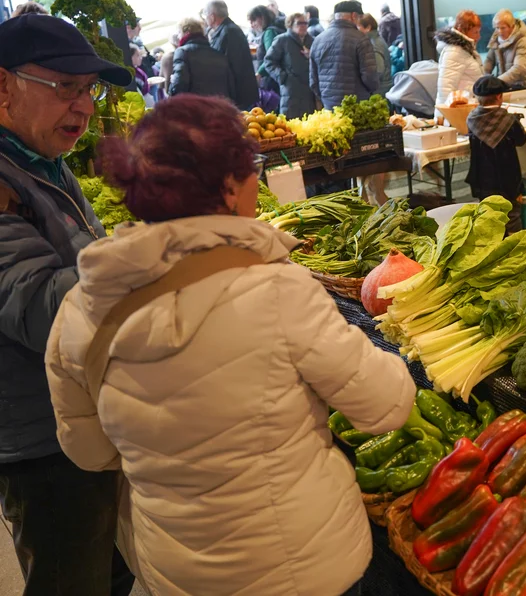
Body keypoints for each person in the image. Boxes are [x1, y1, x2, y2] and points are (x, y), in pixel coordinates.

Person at [44, 94, 415, 596]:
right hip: (300, 565)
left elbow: (88, 451)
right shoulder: (277, 289)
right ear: (228, 187)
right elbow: (386, 406)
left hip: (175, 571)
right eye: (251, 169)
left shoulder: (81, 309)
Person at [0, 14, 135, 596]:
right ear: (3, 86)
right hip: (40, 440)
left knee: (109, 571)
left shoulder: (40, 163)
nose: (82, 107)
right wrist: (149, 252)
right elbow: (40, 307)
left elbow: (85, 260)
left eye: (89, 90)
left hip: (77, 418)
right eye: (65, 87)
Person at [466, 76, 526, 233]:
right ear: (499, 96)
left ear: (477, 98)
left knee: (489, 217)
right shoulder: (508, 119)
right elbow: (521, 140)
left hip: (482, 181)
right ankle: (514, 244)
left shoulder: (471, 119)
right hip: (509, 181)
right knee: (512, 216)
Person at [309, 0, 380, 110]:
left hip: (329, 105)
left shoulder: (318, 40)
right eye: (360, 17)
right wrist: (371, 91)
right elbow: (369, 76)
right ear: (353, 16)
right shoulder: (361, 39)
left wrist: (325, 98)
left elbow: (313, 80)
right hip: (356, 105)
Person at [204, 0, 259, 110]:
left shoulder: (230, 32)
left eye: (205, 15)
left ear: (212, 17)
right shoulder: (226, 30)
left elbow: (233, 67)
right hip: (237, 93)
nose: (205, 19)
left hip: (238, 96)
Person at [264, 13, 316, 118]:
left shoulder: (313, 41)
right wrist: (283, 77)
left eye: (305, 23)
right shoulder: (282, 40)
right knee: (290, 120)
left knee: (309, 121)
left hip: (309, 90)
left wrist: (311, 56)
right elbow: (269, 62)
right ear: (290, 25)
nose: (303, 26)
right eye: (299, 23)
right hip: (291, 89)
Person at [169, 17, 232, 99]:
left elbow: (179, 84)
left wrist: (172, 84)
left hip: (196, 103)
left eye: (179, 33)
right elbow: (229, 85)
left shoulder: (182, 52)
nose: (178, 36)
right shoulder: (218, 54)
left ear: (186, 32)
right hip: (219, 103)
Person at [434, 10, 484, 104]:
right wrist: (452, 110)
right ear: (461, 30)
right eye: (475, 32)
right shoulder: (455, 51)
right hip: (458, 109)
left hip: (465, 106)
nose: (479, 36)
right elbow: (446, 88)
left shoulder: (464, 50)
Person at [483, 9, 526, 90]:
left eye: (503, 28)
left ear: (512, 26)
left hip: (522, 86)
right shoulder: (496, 39)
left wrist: (497, 81)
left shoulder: (523, 41)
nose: (500, 31)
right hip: (504, 85)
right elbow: (489, 60)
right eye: (497, 28)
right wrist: (484, 78)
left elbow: (519, 68)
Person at [249, 4, 285, 94]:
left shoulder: (269, 32)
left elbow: (271, 56)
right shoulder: (279, 28)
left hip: (271, 79)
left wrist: (259, 73)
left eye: (253, 21)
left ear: (262, 18)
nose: (252, 25)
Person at [356, 13, 393, 97]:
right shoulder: (377, 40)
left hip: (380, 91)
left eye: (358, 27)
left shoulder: (374, 45)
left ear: (368, 28)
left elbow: (378, 71)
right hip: (384, 87)